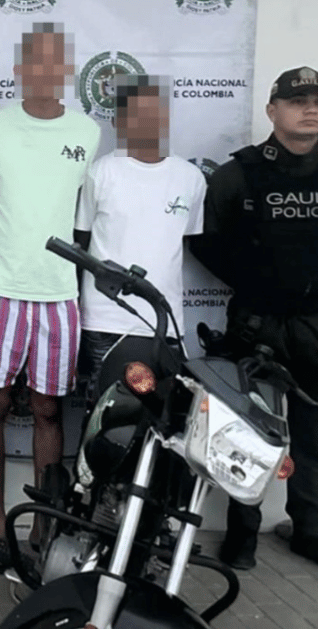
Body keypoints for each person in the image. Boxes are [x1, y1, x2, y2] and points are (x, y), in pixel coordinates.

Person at [190, 67, 318, 578]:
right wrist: (265, 284)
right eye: (298, 100)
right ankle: (241, 535)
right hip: (259, 322)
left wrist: (313, 281)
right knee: (247, 431)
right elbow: (207, 241)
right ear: (272, 110)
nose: (310, 108)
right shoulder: (239, 174)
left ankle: (311, 532)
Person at [0, 23, 101, 573]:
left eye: (55, 63)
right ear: (19, 70)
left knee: (48, 410)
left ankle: (44, 525)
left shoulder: (87, 132)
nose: (45, 72)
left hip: (58, 292)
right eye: (35, 63)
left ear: (66, 70)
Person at [74, 75, 205, 397]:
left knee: (162, 414)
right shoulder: (100, 172)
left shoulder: (190, 178)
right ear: (117, 121)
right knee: (107, 410)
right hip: (105, 320)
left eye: (154, 111)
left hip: (164, 320)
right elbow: (82, 239)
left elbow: (186, 241)